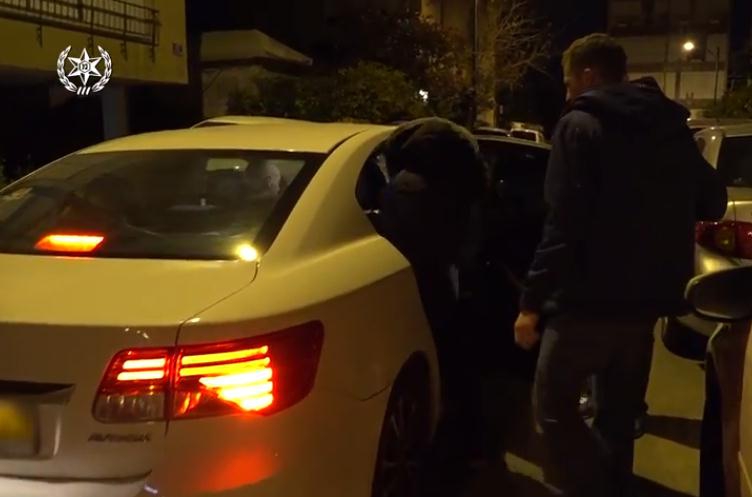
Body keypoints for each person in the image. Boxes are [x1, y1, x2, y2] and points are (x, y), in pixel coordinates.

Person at [512, 33, 727, 497]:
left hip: (584, 305)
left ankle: (585, 485)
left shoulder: (580, 126)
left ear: (588, 75)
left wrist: (530, 303)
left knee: (552, 408)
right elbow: (712, 201)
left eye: (569, 82)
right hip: (644, 307)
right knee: (617, 416)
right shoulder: (670, 129)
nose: (567, 92)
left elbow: (563, 224)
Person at [378, 118, 489, 484]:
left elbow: (396, 239)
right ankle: (466, 449)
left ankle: (441, 456)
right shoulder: (460, 179)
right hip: (451, 276)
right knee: (457, 366)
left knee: (429, 363)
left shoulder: (406, 186)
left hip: (418, 284)